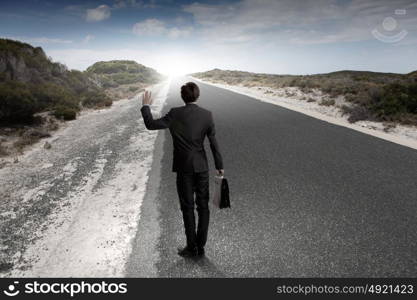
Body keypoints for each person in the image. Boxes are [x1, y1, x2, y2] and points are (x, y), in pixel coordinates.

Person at [140, 82, 224, 258]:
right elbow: (213, 143)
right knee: (203, 207)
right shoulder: (207, 115)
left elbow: (151, 124)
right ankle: (201, 246)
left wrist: (146, 106)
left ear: (182, 96)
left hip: (183, 168)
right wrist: (219, 166)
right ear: (197, 95)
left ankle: (191, 247)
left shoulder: (175, 113)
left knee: (187, 207)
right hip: (201, 166)